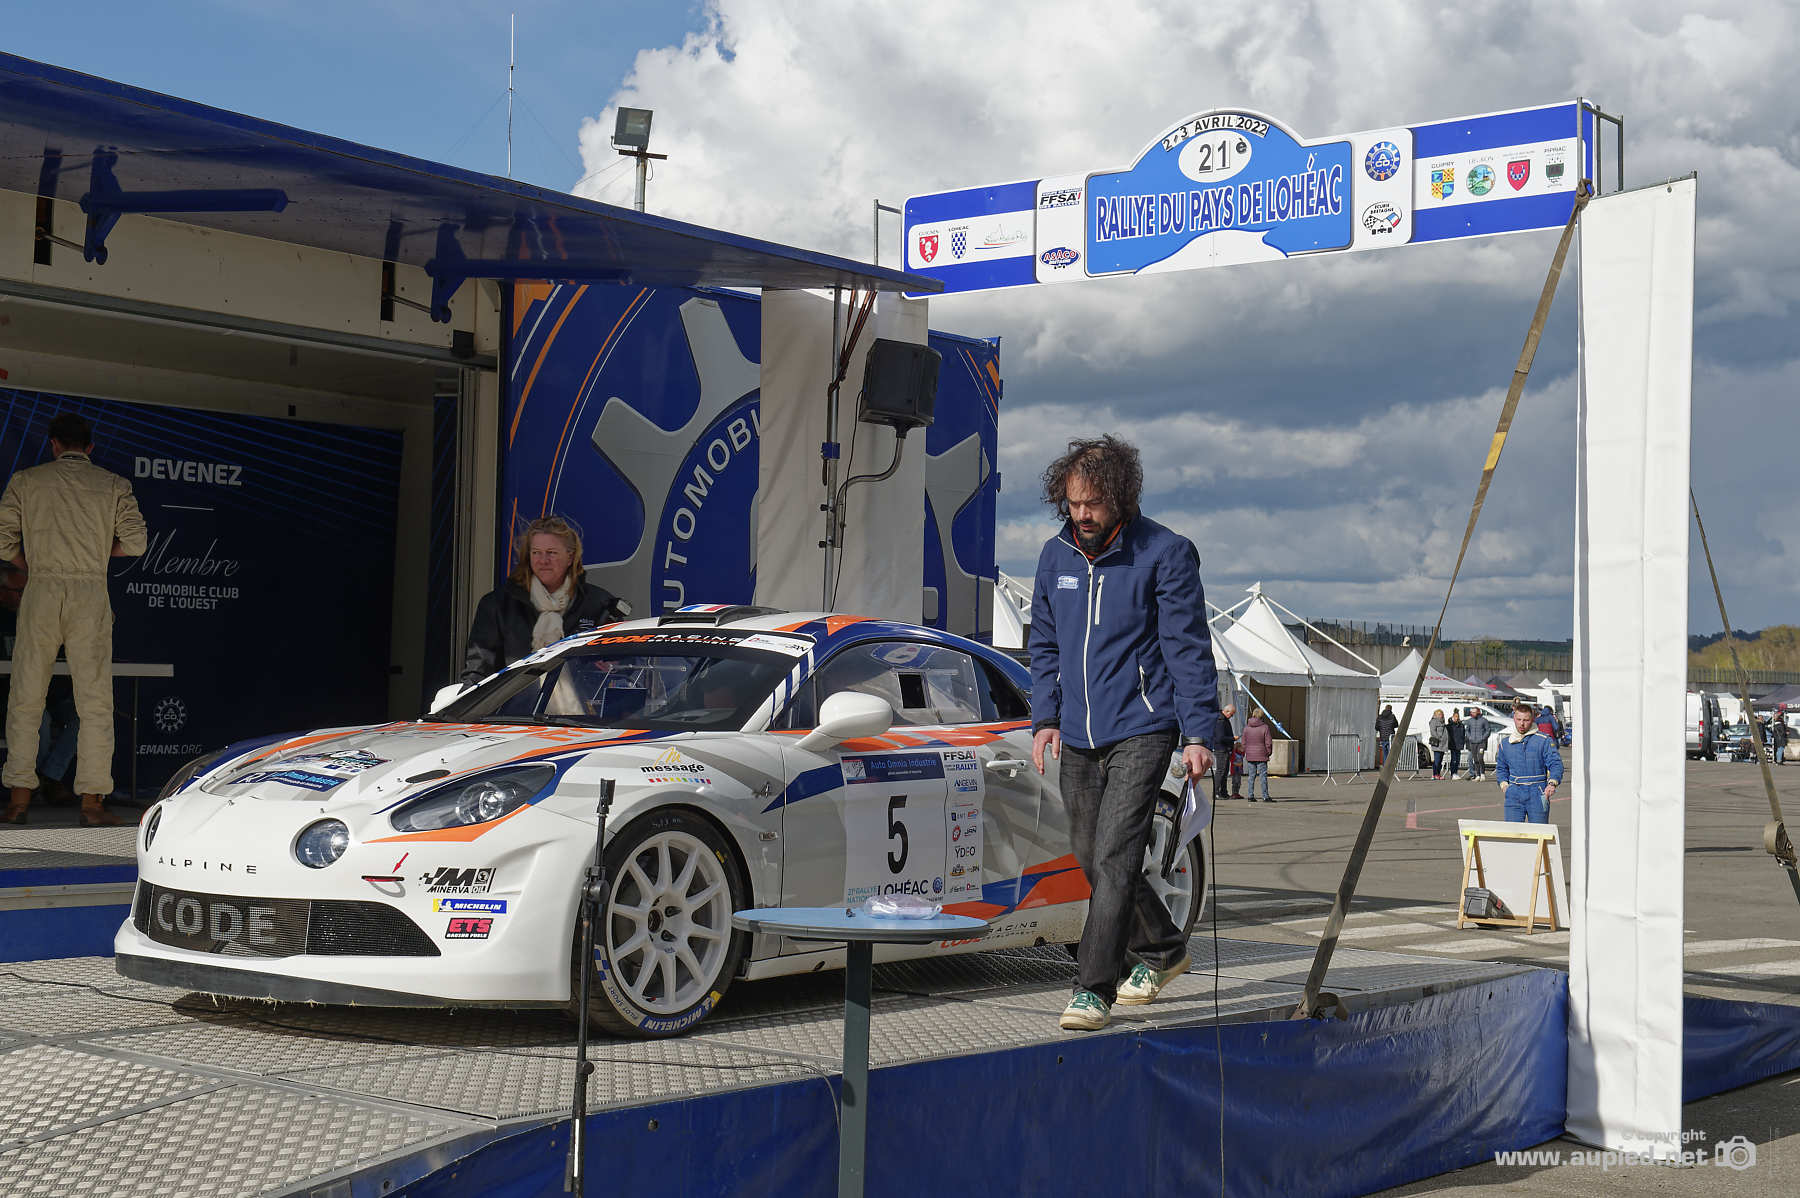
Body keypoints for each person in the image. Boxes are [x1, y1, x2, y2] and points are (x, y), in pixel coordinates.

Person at [1028, 435, 1221, 1033]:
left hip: (1144, 725)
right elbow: (1044, 645)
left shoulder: (1165, 553)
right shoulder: (1054, 556)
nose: (1081, 516)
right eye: (1073, 503)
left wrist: (1199, 732)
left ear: (1121, 500)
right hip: (1080, 734)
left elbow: (1188, 650)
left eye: (1093, 505)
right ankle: (1164, 949)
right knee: (1092, 856)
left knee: (1115, 855)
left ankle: (1093, 987)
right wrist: (1045, 718)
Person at [0, 413, 147, 825]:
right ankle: (93, 805)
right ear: (90, 448)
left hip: (42, 588)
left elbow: (1, 538)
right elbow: (136, 543)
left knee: (26, 697)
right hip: (89, 590)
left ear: (53, 445)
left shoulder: (27, 482)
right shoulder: (114, 485)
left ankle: (18, 802)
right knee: (96, 702)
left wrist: (29, 562)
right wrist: (99, 554)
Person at [461, 515, 629, 685]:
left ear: (570, 557)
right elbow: (477, 673)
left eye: (551, 553)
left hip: (581, 708)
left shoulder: (598, 603)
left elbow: (626, 666)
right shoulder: (498, 604)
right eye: (536, 553)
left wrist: (613, 663)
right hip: (514, 710)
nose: (543, 561)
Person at [0, 564, 79, 807]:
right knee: (39, 718)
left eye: (26, 592)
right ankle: (44, 783)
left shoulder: (39, 618)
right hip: (9, 699)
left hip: (48, 694)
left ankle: (47, 777)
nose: (22, 597)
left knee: (89, 716)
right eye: (16, 591)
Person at [1494, 699, 1564, 823]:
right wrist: (1504, 786)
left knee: (1539, 835)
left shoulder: (1543, 740)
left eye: (1526, 720)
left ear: (1532, 720)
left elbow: (1555, 764)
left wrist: (1552, 783)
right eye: (1519, 719)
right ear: (1514, 719)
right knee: (1513, 835)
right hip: (1514, 793)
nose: (1522, 724)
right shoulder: (1506, 743)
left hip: (1538, 792)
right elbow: (1501, 768)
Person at [1241, 707, 1274, 802]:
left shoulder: (1246, 728)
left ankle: (1250, 795)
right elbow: (1268, 742)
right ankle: (1265, 796)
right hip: (1262, 754)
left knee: (1251, 776)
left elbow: (1243, 742)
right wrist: (1268, 752)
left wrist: (1246, 751)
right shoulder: (1265, 727)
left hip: (1250, 755)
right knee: (1263, 776)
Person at [1211, 703, 1238, 800]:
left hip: (1225, 749)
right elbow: (1220, 738)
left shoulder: (1224, 719)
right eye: (1231, 714)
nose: (1232, 716)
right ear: (1227, 711)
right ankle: (1216, 792)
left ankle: (1223, 792)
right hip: (1221, 749)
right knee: (1221, 771)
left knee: (1225, 771)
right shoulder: (1221, 720)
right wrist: (1232, 738)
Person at [1464, 707, 1493, 781]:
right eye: (1472, 712)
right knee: (1475, 759)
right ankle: (1478, 775)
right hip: (1472, 743)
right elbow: (1467, 730)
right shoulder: (1469, 721)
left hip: (1481, 743)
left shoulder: (1484, 720)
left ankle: (1482, 773)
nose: (1472, 714)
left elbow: (1488, 730)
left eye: (1474, 712)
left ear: (1478, 712)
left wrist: (1483, 738)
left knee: (1480, 758)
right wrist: (1469, 737)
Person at [1446, 709, 1466, 781]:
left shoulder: (1461, 725)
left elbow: (1463, 734)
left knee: (1458, 760)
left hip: (1459, 744)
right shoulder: (1450, 725)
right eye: (1455, 717)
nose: (1456, 718)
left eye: (1457, 716)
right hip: (1453, 745)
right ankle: (1453, 773)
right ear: (1453, 717)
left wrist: (1463, 742)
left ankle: (1456, 772)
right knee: (1453, 759)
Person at [1428, 709, 1447, 780]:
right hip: (1437, 743)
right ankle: (1434, 774)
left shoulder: (1443, 721)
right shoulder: (1434, 721)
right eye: (1439, 714)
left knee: (1440, 760)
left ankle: (1438, 774)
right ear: (1435, 715)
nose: (1440, 715)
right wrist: (1439, 737)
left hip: (1443, 744)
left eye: (1441, 714)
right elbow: (1432, 731)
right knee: (1437, 760)